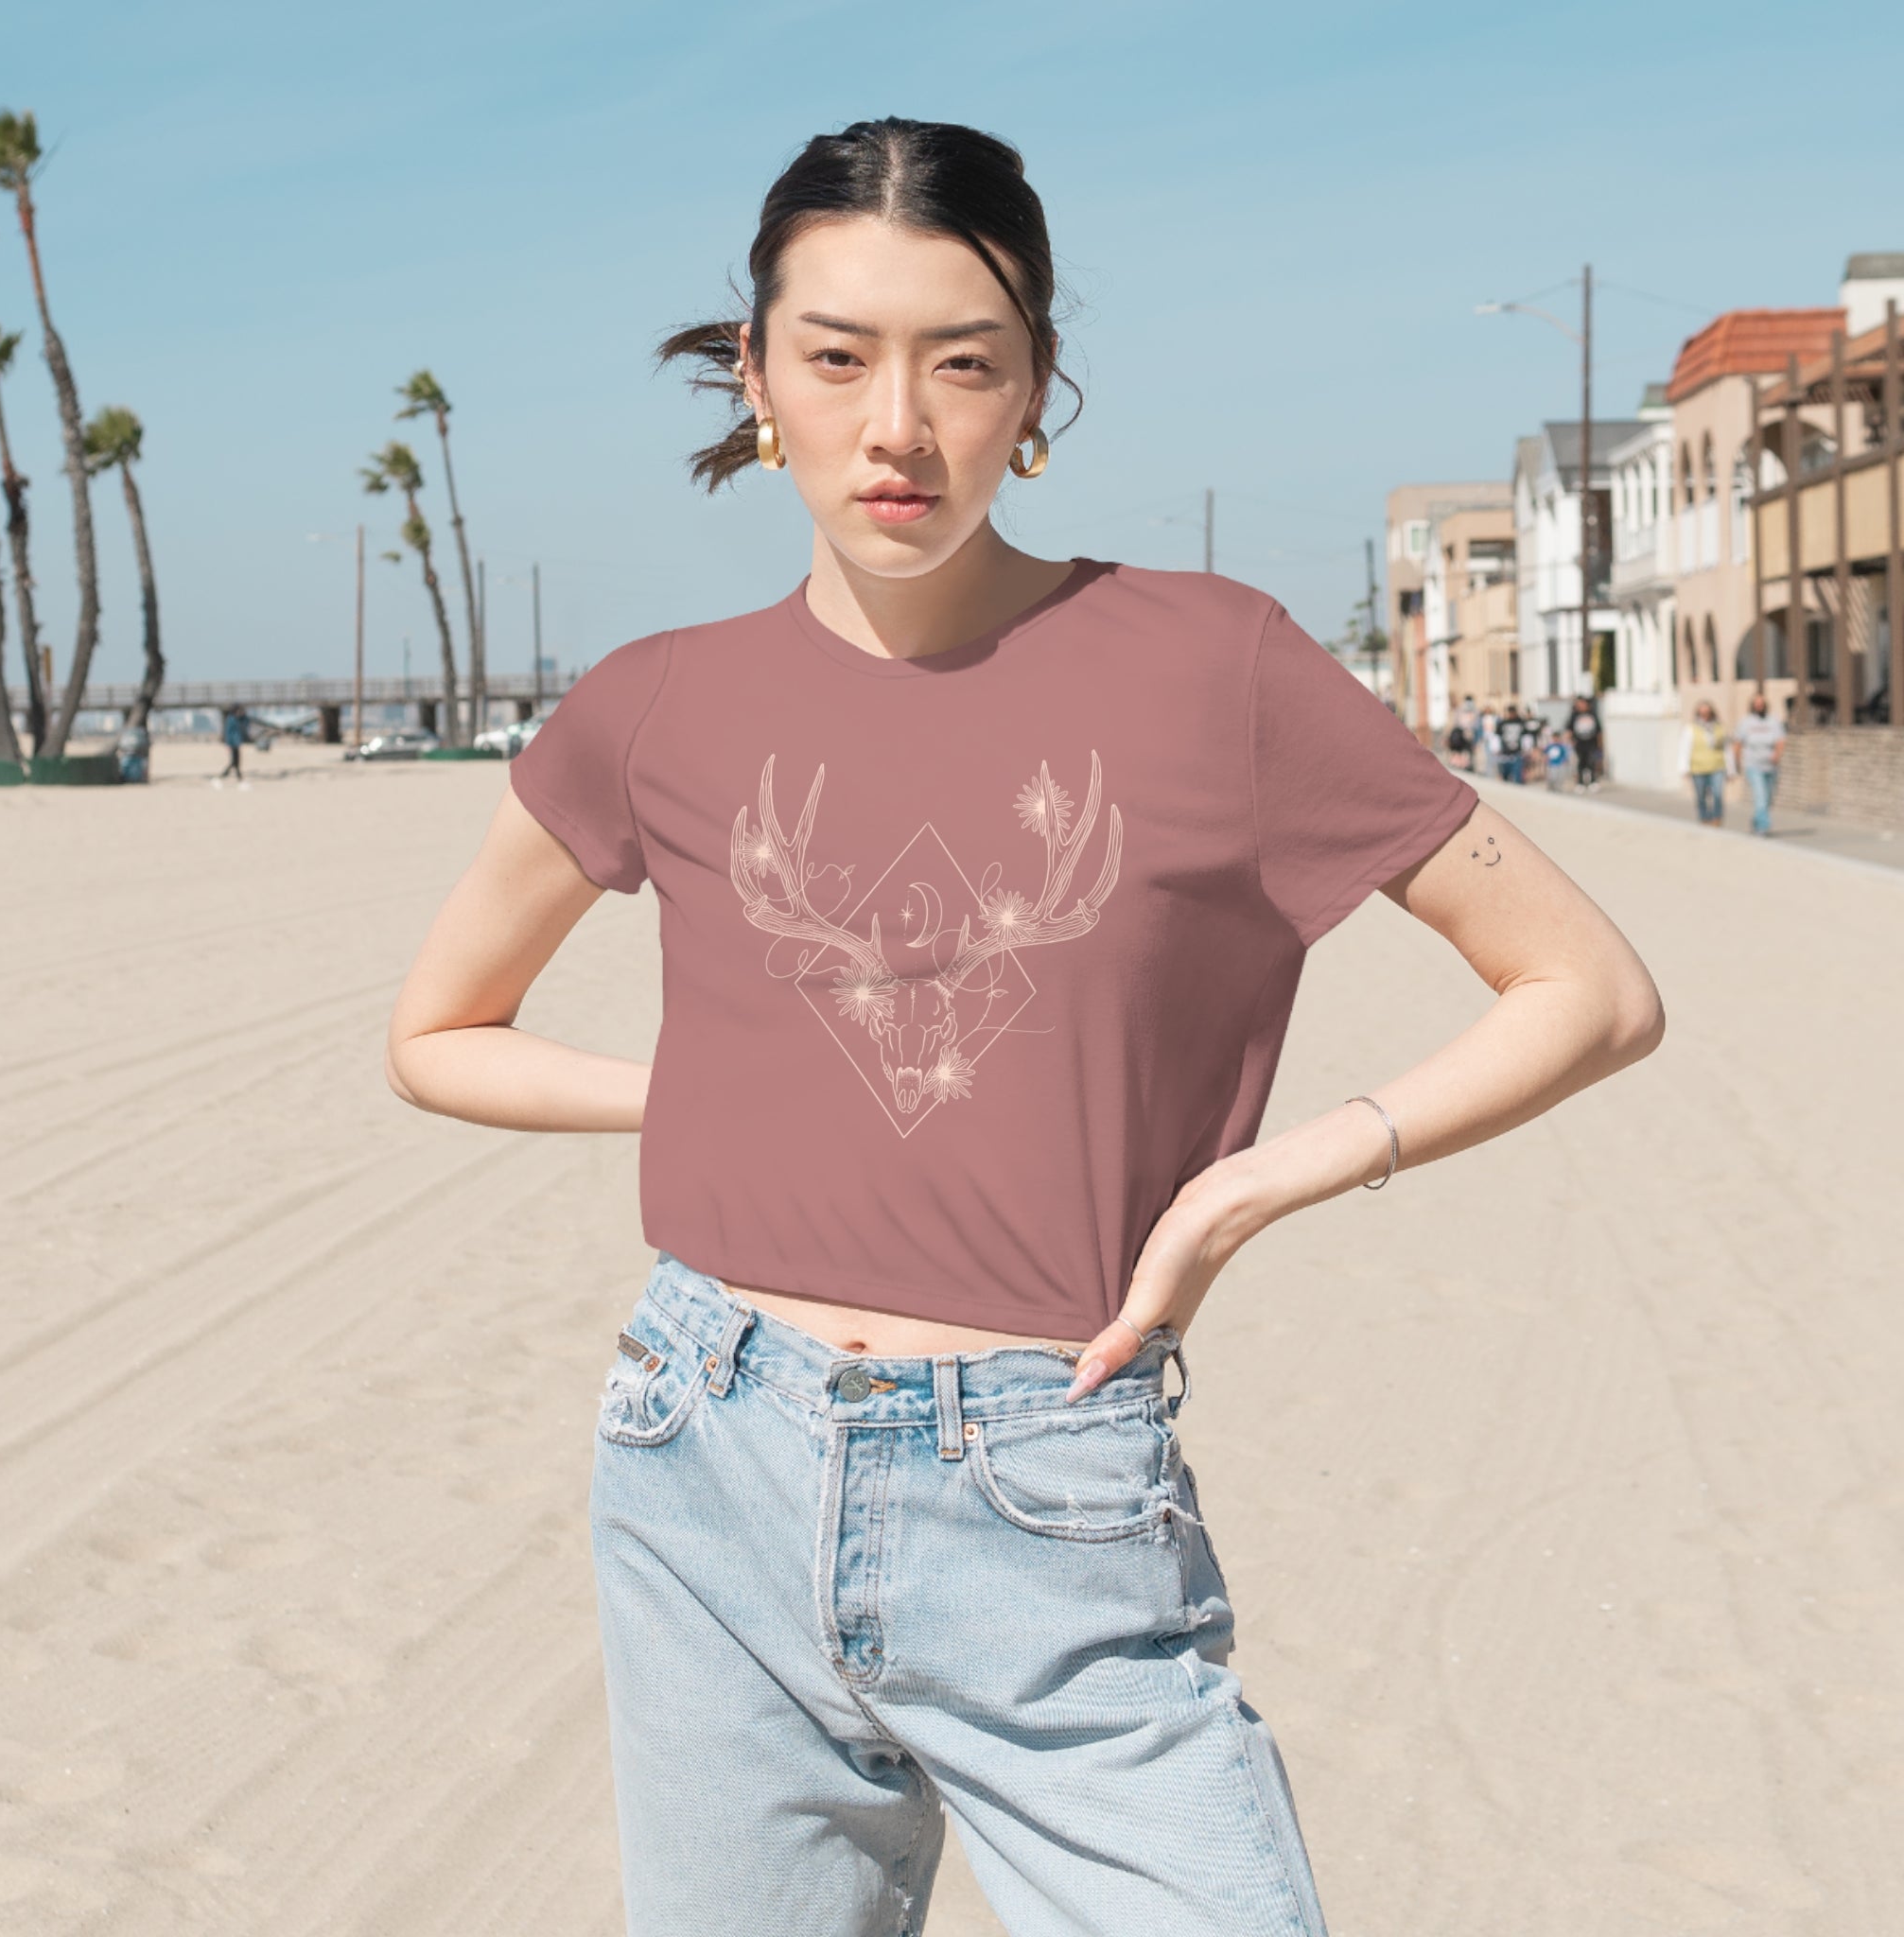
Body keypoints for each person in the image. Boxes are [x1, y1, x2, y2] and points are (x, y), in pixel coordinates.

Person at [383, 117, 1666, 1937]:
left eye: (960, 363)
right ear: (756, 375)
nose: (893, 425)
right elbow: (437, 1032)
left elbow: (1588, 989)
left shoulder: (1216, 664)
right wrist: (716, 1089)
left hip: (1047, 1479)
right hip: (700, 1446)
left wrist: (1253, 1188)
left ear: (1037, 389)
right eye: (833, 357)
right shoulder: (649, 705)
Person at [1732, 689, 1786, 835]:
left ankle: (1757, 820)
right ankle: (1763, 828)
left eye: (1762, 704)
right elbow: (1737, 743)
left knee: (1768, 798)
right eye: (1757, 704)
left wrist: (1777, 754)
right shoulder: (1746, 722)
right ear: (1752, 706)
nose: (1759, 706)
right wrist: (1736, 762)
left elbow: (1780, 740)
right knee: (1760, 796)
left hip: (1771, 766)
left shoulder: (1773, 721)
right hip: (1753, 764)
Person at [1678, 700, 1731, 826]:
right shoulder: (1691, 728)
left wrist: (1731, 768)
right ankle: (1704, 817)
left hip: (1717, 766)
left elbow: (1727, 749)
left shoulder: (1719, 727)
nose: (1705, 714)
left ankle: (1717, 817)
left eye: (1707, 711)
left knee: (1718, 794)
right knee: (1701, 795)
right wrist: (1684, 768)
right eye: (1702, 711)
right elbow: (1685, 748)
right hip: (1698, 767)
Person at [1568, 694, 1604, 791]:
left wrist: (1600, 743)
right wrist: (1570, 741)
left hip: (1591, 742)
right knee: (1581, 762)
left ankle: (1593, 781)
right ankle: (1580, 783)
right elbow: (1569, 729)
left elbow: (1599, 730)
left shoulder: (1592, 714)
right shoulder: (1574, 715)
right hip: (1579, 743)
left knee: (1591, 761)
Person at [215, 704, 250, 789]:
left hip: (237, 743)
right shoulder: (231, 719)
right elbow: (228, 733)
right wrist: (228, 745)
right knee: (234, 762)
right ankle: (225, 777)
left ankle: (238, 778)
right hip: (232, 743)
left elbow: (246, 722)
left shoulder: (239, 719)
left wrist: (244, 715)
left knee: (236, 762)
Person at [1494, 702, 1528, 782]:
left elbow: (1526, 736)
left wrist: (1526, 748)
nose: (1511, 714)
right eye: (1510, 712)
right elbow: (1497, 736)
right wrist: (1496, 748)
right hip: (1505, 753)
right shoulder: (1502, 723)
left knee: (1517, 777)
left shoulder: (1521, 722)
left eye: (1513, 712)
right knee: (1505, 777)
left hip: (1517, 753)